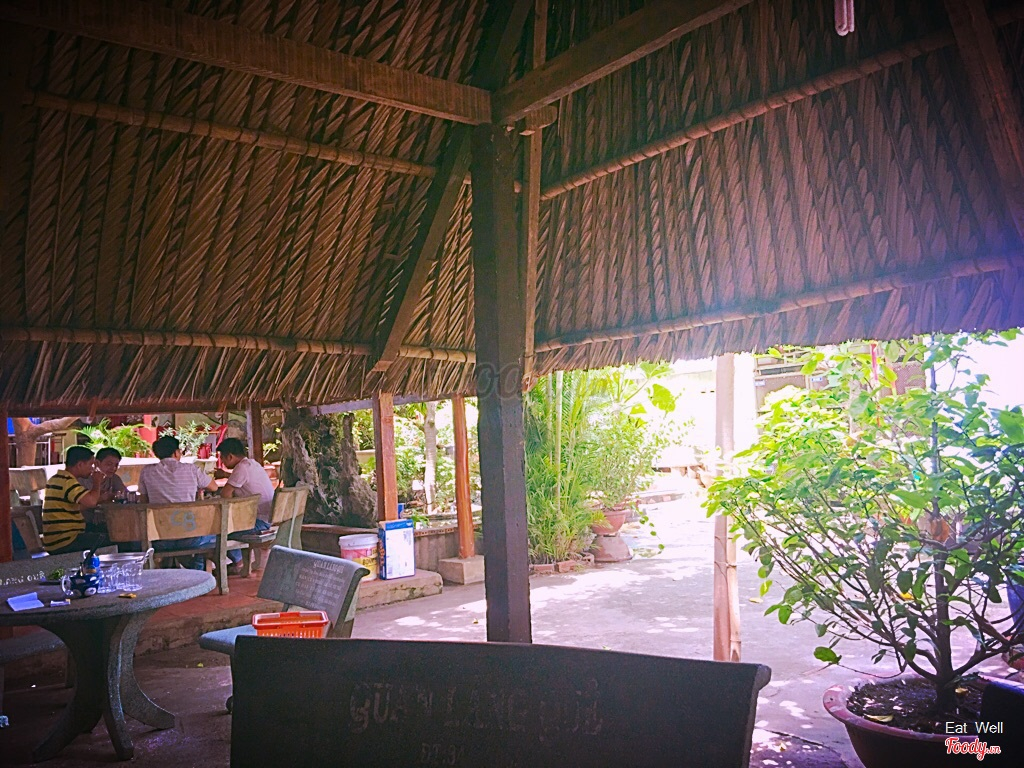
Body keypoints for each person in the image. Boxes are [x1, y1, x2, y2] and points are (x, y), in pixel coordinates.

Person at [138, 435, 220, 570]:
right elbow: (214, 487)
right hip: (191, 537)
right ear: (176, 452)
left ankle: (179, 569)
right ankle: (199, 573)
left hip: (159, 539)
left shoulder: (147, 472)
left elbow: (143, 502)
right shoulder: (191, 469)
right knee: (216, 532)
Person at [217, 438, 275, 573]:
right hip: (266, 519)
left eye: (222, 458)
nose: (222, 462)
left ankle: (237, 561)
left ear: (230, 456)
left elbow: (225, 494)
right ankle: (238, 560)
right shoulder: (252, 464)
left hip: (258, 523)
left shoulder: (241, 468)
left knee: (218, 530)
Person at [42, 446, 111, 554]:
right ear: (80, 465)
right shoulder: (68, 481)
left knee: (104, 529)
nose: (92, 469)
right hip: (66, 540)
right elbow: (91, 502)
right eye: (91, 465)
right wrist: (97, 482)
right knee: (113, 539)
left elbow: (79, 506)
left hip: (56, 539)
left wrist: (99, 497)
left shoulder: (56, 479)